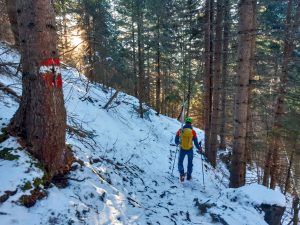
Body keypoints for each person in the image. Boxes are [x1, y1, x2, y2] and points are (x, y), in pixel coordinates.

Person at [175, 117, 202, 182]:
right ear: (191, 123)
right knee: (190, 163)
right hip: (190, 150)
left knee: (180, 162)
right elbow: (195, 142)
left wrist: (178, 143)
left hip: (182, 149)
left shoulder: (180, 130)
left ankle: (182, 175)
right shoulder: (193, 132)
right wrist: (199, 148)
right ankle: (189, 176)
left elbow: (176, 140)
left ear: (185, 122)